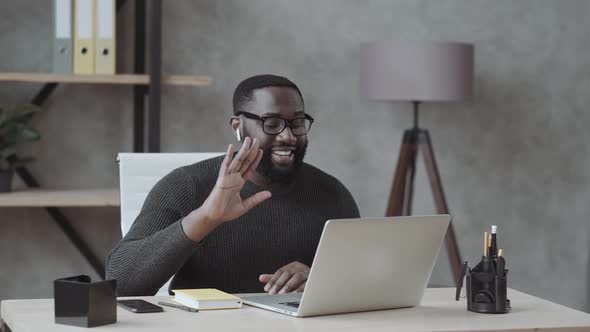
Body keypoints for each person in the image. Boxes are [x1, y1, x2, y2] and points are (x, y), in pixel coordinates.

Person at [106, 74, 360, 296]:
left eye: (296, 123)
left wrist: (320, 280)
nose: (288, 136)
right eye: (271, 124)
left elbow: (362, 280)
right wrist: (206, 217)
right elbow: (120, 284)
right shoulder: (186, 185)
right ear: (237, 126)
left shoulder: (332, 194)